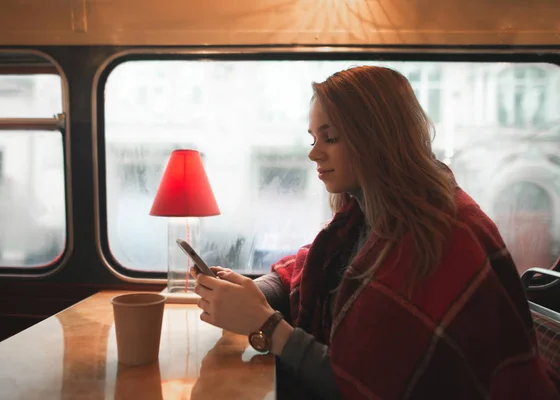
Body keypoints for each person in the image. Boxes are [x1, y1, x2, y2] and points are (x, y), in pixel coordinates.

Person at [190, 66, 560, 399]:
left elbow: (363, 387)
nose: (313, 154)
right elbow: (306, 270)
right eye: (312, 139)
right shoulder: (364, 212)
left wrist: (266, 326)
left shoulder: (444, 236)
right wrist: (257, 292)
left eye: (330, 137)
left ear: (376, 137)